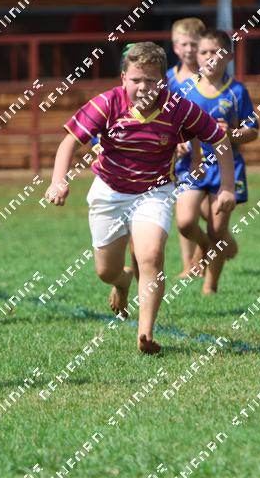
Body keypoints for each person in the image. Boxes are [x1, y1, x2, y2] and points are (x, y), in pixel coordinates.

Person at [44, 42, 235, 354]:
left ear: (163, 81)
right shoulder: (107, 103)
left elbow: (219, 138)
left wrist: (227, 185)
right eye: (136, 80)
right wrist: (58, 181)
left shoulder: (178, 107)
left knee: (151, 256)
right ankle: (122, 281)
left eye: (151, 80)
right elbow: (70, 141)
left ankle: (145, 333)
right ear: (123, 79)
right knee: (105, 271)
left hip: (154, 192)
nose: (143, 87)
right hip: (109, 191)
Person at [174, 30, 258, 294]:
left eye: (216, 51)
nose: (209, 57)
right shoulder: (185, 90)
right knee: (185, 222)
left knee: (217, 230)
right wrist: (177, 142)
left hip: (226, 169)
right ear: (197, 56)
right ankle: (207, 245)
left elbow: (252, 132)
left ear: (228, 56)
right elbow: (171, 126)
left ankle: (210, 287)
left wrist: (232, 133)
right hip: (192, 165)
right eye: (204, 52)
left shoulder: (236, 91)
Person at [166, 17, 209, 278]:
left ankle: (213, 249)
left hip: (211, 153)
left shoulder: (211, 77)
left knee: (208, 211)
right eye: (184, 44)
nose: (190, 50)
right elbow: (164, 115)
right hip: (183, 158)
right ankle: (188, 264)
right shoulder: (167, 80)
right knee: (184, 211)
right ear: (175, 46)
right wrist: (176, 140)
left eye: (195, 44)